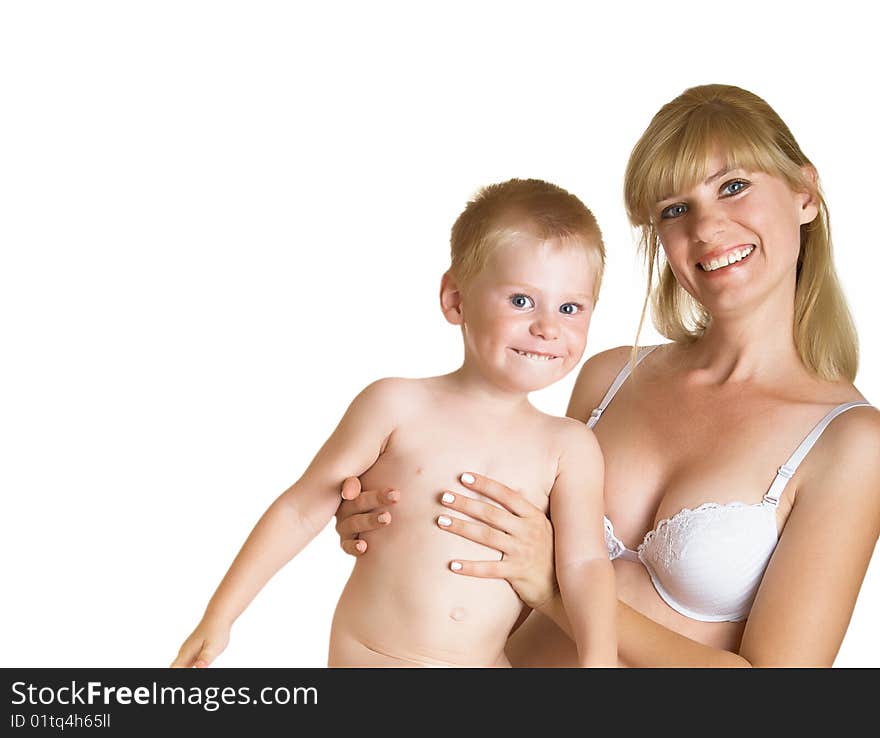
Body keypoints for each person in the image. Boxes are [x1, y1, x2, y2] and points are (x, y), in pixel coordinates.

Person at [335, 84, 880, 667]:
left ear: (805, 193)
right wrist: (395, 518)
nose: (707, 228)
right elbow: (498, 569)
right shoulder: (609, 377)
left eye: (734, 187)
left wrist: (557, 589)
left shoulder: (850, 443)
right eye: (675, 209)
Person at [171, 178, 616, 668]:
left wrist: (597, 667)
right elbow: (302, 509)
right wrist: (220, 616)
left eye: (570, 308)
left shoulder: (569, 447)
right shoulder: (397, 405)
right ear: (456, 300)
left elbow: (584, 566)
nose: (547, 326)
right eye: (521, 301)